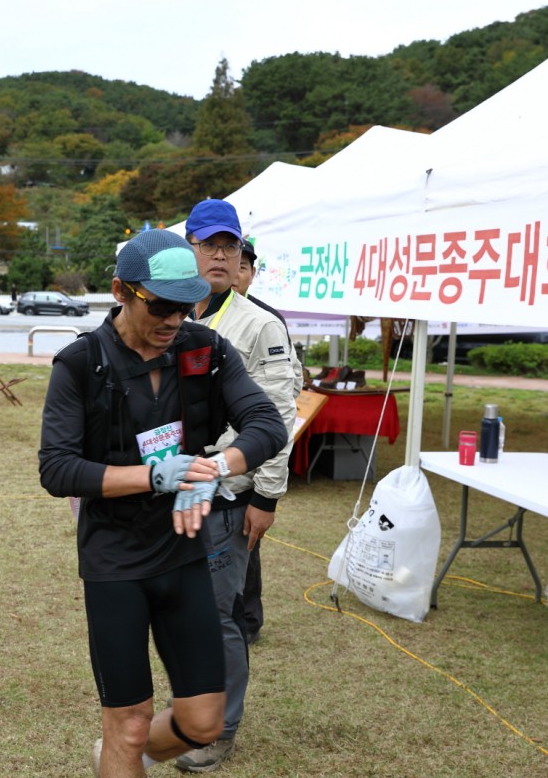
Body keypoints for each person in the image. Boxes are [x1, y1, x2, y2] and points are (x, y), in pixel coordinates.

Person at [38, 228, 288, 778]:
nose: (175, 318)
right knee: (129, 724)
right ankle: (122, 751)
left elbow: (267, 424)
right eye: (161, 305)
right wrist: (153, 476)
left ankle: (117, 757)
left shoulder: (205, 349)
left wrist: (215, 468)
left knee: (203, 721)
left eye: (185, 304)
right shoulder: (81, 364)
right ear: (120, 291)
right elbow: (56, 469)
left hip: (184, 552)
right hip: (115, 560)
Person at [176, 199, 299, 773]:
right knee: (178, 608)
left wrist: (266, 497)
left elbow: (278, 415)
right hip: (170, 492)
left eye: (230, 246)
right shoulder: (170, 310)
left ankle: (220, 728)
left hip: (228, 495)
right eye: (209, 245)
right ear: (190, 250)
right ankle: (192, 711)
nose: (220, 255)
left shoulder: (258, 324)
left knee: (218, 614)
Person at [232, 238, 299, 646]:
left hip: (248, 461)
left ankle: (248, 620)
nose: (233, 273)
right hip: (207, 465)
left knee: (245, 545)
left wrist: (267, 490)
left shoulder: (266, 321)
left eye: (242, 267)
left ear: (252, 273)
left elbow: (288, 392)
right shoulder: (193, 312)